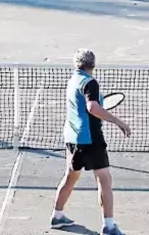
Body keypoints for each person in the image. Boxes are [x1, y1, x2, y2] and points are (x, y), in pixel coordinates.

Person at [50, 48, 130, 235]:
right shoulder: (90, 82)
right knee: (104, 179)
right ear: (93, 64)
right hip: (90, 139)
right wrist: (118, 121)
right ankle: (109, 226)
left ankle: (57, 215)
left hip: (72, 138)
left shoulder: (72, 81)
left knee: (71, 176)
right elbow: (92, 107)